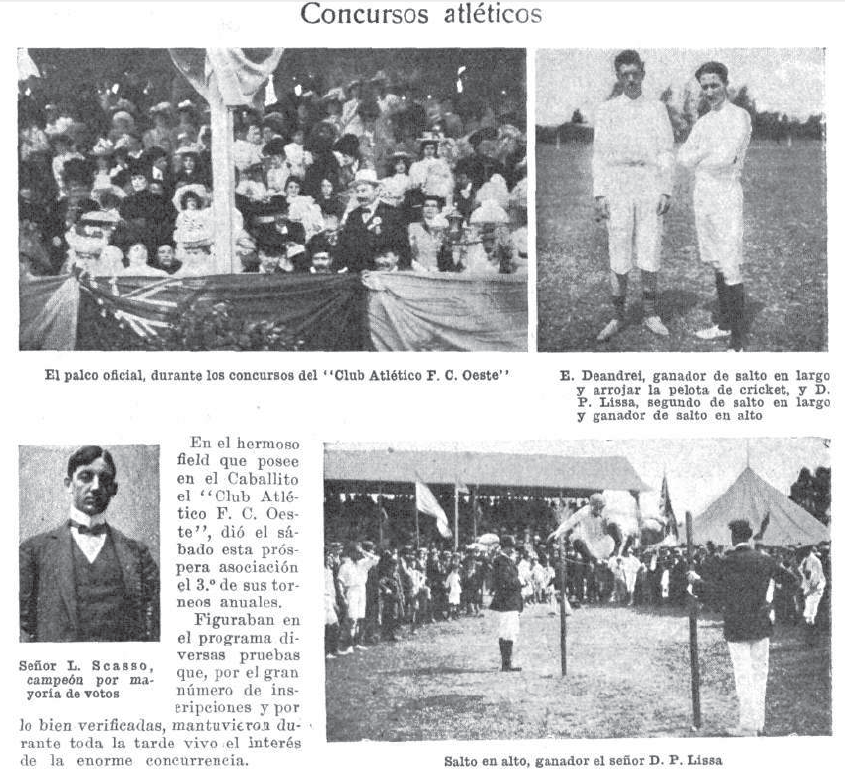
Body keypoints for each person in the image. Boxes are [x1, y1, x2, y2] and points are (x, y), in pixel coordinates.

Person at [19, 446, 160, 643]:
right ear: (69, 484)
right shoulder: (33, 552)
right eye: (86, 476)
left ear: (113, 489)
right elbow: (21, 628)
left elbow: (154, 626)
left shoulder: (138, 555)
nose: (95, 486)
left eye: (104, 479)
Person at [592, 49, 674, 342]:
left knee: (649, 245)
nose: (630, 79)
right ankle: (618, 315)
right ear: (618, 76)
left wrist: (666, 187)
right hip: (618, 182)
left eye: (635, 73)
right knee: (619, 244)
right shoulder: (607, 110)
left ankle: (651, 313)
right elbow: (599, 155)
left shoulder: (656, 108)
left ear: (643, 71)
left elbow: (666, 149)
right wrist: (600, 193)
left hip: (649, 181)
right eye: (624, 74)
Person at [687, 519, 796, 736]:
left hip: (737, 625)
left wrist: (695, 581)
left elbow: (715, 593)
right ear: (748, 536)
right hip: (761, 624)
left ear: (733, 538)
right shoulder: (765, 560)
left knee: (744, 677)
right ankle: (758, 724)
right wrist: (772, 603)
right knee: (759, 677)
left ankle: (748, 726)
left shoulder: (726, 561)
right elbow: (792, 580)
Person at [678, 61, 753, 352]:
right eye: (705, 86)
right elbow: (683, 157)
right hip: (704, 194)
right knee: (717, 262)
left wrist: (701, 154)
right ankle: (724, 326)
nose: (710, 91)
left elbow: (726, 158)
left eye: (715, 85)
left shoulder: (739, 116)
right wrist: (704, 154)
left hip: (726, 194)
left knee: (730, 262)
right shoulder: (704, 121)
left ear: (725, 84)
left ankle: (738, 342)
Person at [489, 535, 523, 672]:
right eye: (512, 547)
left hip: (511, 601)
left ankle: (507, 662)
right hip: (507, 600)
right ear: (507, 547)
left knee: (511, 631)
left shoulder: (506, 560)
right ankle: (506, 663)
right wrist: (520, 582)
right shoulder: (500, 561)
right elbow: (505, 581)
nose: (514, 550)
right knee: (507, 631)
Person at [798, 546, 826, 644]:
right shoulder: (805, 559)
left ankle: (813, 639)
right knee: (807, 615)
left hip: (815, 591)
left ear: (808, 549)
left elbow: (817, 581)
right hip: (808, 590)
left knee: (810, 615)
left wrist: (808, 593)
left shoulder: (815, 561)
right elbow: (803, 575)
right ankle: (810, 639)